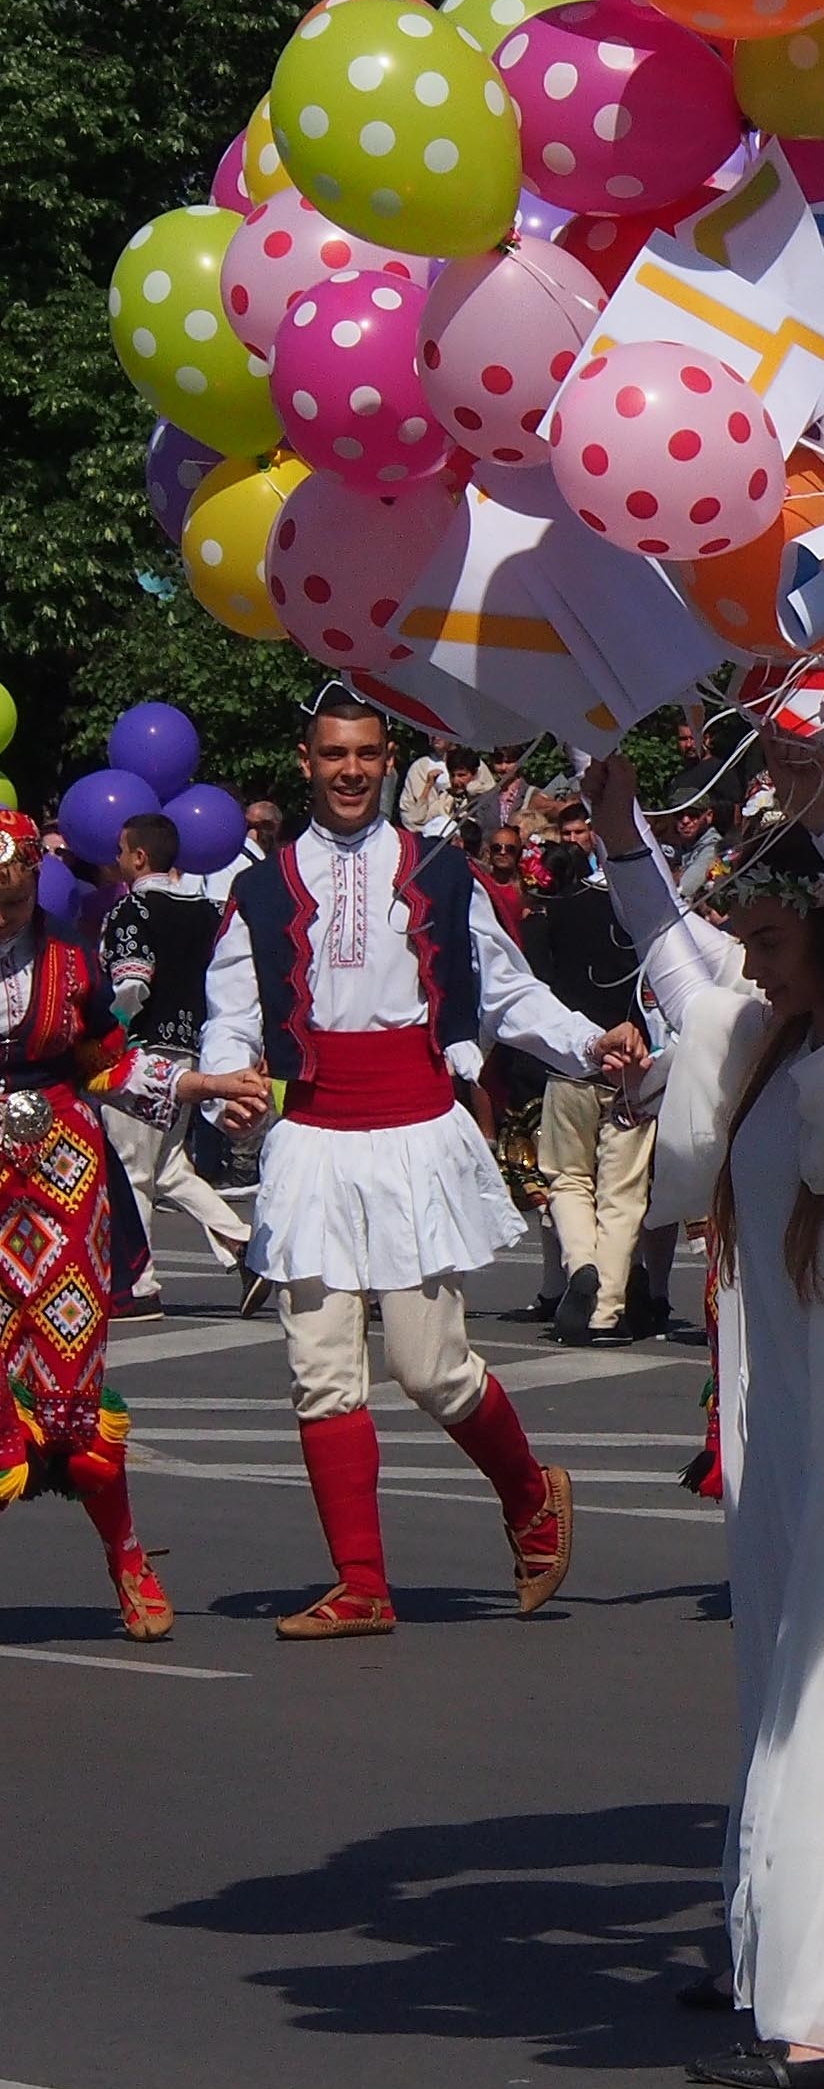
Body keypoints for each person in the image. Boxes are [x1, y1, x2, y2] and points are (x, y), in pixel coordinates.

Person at [584, 633, 824, 2089]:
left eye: (778, 916)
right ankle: (764, 1949)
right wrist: (618, 825)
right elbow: (669, 943)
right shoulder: (754, 1037)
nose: (748, 933)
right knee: (772, 1688)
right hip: (784, 1403)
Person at [193, 686, 645, 1638]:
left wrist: (585, 1043)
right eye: (332, 755)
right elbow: (233, 1006)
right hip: (312, 1136)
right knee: (320, 1371)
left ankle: (530, 1492)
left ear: (388, 756)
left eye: (365, 754)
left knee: (429, 1368)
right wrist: (227, 1075)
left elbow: (506, 994)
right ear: (305, 759)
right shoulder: (262, 886)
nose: (350, 771)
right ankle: (361, 1584)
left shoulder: (440, 870)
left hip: (412, 1128)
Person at [2, 809, 174, 1638]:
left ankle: (129, 1557)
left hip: (62, 1177)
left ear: (37, 871)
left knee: (70, 1389)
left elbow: (108, 1060)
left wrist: (199, 1089)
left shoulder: (73, 958)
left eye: (14, 872)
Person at [98, 813, 257, 1306]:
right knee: (168, 1165)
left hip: (142, 1051)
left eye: (122, 851)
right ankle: (244, 1243)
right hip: (191, 1046)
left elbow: (133, 983)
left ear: (138, 857)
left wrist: (109, 1030)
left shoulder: (133, 911)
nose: (118, 860)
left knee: (131, 1170)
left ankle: (136, 1284)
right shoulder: (208, 912)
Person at [519, 809, 655, 1345]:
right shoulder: (638, 913)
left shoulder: (547, 918)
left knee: (568, 1178)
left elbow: (534, 992)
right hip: (632, 1058)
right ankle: (607, 1310)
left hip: (570, 1061)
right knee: (623, 1192)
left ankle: (580, 1265)